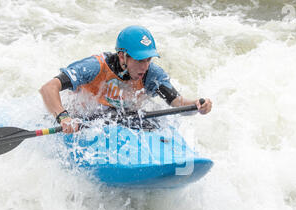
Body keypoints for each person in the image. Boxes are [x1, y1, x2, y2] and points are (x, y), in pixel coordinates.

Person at [40, 25, 212, 133]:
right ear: (122, 56)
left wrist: (197, 105)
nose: (144, 67)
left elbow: (177, 103)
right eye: (139, 60)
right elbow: (48, 88)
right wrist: (63, 118)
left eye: (148, 60)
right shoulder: (94, 67)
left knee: (152, 125)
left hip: (121, 118)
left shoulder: (153, 75)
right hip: (83, 119)